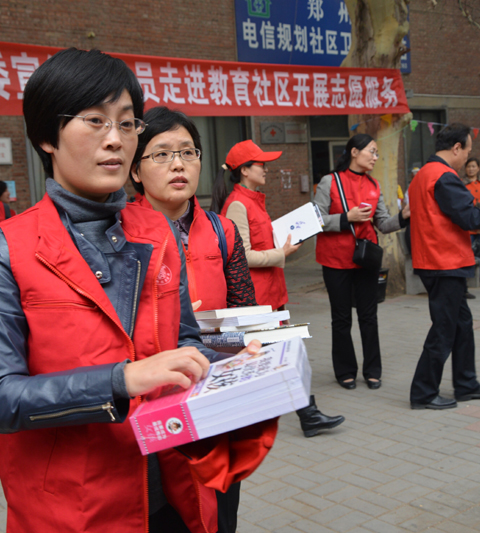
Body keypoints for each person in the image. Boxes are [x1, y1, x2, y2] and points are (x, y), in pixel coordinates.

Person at [0, 48, 269, 533]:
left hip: (173, 487)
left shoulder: (156, 231)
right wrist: (120, 381)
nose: (115, 139)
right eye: (94, 120)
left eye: (127, 124)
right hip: (77, 508)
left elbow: (184, 341)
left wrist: (232, 361)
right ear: (46, 136)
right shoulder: (9, 248)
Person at [130, 107, 344, 533]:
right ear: (136, 170)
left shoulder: (220, 230)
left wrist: (259, 348)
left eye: (187, 152)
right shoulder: (120, 236)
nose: (177, 164)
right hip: (152, 404)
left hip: (214, 395)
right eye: (162, 154)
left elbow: (242, 309)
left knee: (221, 511)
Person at [407, 124, 480, 410]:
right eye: (468, 150)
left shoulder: (422, 175)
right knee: (445, 328)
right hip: (443, 261)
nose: (467, 158)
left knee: (461, 324)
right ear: (456, 148)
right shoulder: (443, 176)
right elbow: (467, 216)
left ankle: (466, 383)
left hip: (435, 259)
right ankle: (423, 393)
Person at [313, 134, 409, 391]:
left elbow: (383, 223)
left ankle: (373, 370)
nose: (375, 157)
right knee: (341, 318)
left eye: (377, 153)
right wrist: (347, 217)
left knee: (369, 316)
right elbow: (315, 220)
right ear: (354, 152)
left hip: (366, 259)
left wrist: (403, 217)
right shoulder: (330, 181)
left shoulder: (374, 184)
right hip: (335, 260)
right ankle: (345, 371)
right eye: (371, 151)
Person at [212, 140, 298, 315]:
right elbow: (243, 256)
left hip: (270, 293)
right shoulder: (238, 204)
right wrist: (282, 253)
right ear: (244, 170)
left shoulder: (253, 200)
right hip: (256, 298)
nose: (266, 170)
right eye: (262, 165)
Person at [464, 157, 480, 286]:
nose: (471, 169)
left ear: (478, 168)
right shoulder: (461, 183)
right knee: (468, 250)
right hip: (468, 221)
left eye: (473, 166)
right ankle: (469, 275)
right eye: (469, 166)